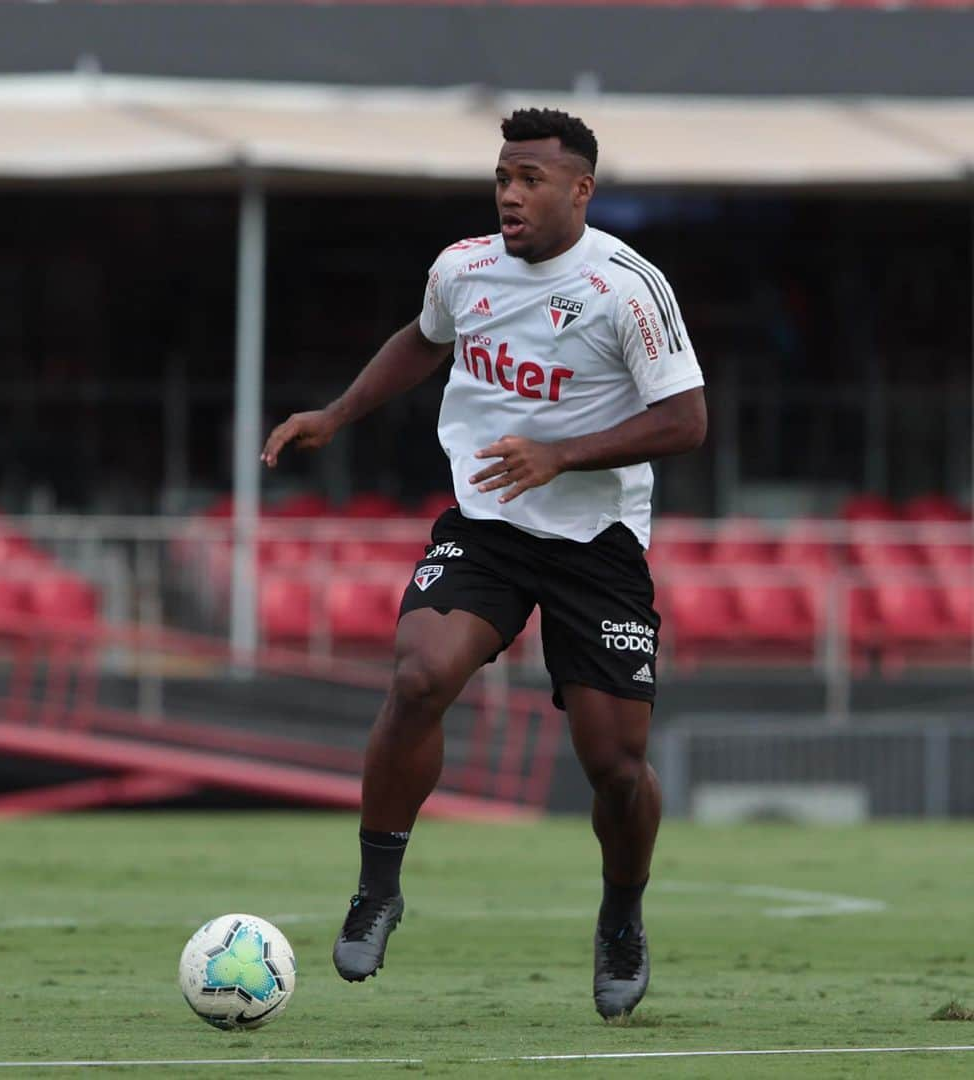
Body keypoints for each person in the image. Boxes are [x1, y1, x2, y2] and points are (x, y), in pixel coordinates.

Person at [261, 107, 707, 1020]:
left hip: (598, 545)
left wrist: (562, 454)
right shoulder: (462, 268)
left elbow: (686, 420)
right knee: (419, 675)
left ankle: (622, 914)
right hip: (488, 522)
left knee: (615, 768)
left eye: (530, 179)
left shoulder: (629, 287)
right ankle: (377, 887)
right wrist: (337, 414)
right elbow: (424, 341)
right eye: (502, 176)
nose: (509, 193)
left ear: (580, 189)